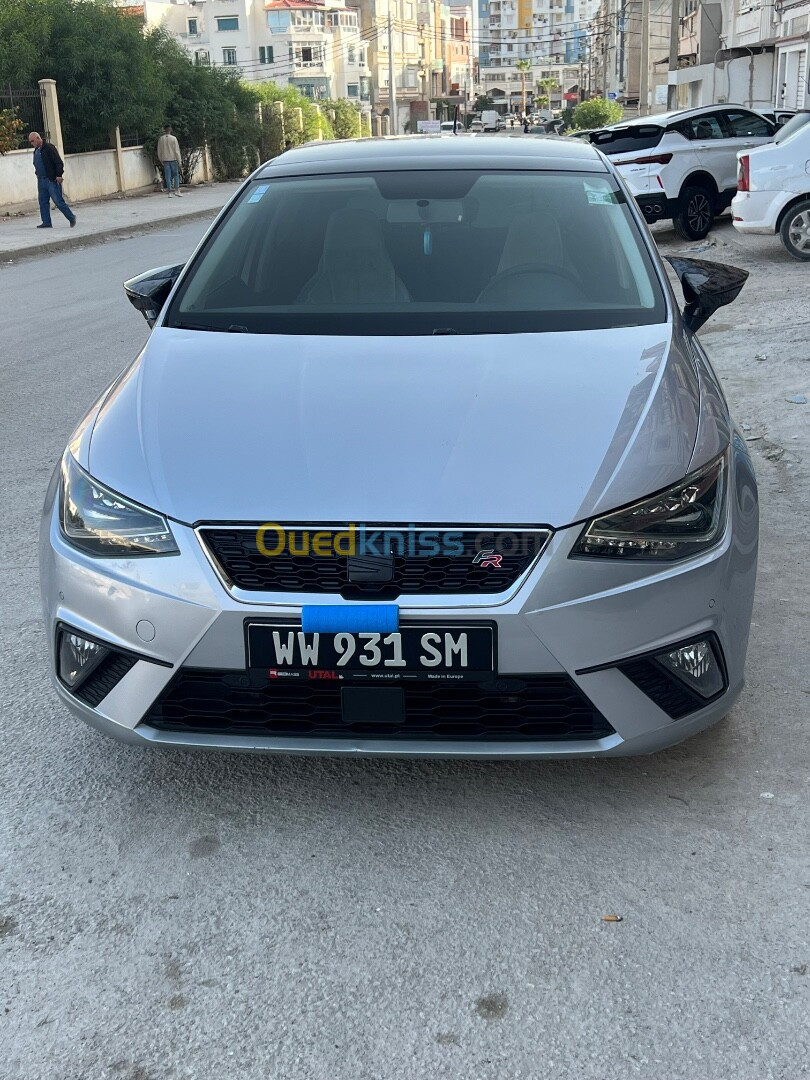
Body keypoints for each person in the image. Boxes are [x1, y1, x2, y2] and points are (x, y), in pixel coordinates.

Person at [28, 131, 76, 230]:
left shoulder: (49, 148)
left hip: (51, 179)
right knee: (43, 202)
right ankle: (46, 222)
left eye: (32, 141)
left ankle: (71, 217)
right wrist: (37, 172)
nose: (32, 143)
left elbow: (58, 162)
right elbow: (37, 163)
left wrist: (58, 175)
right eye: (30, 142)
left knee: (58, 201)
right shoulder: (36, 151)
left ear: (38, 138)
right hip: (41, 180)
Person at [157, 124, 183, 198]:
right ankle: (177, 190)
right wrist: (179, 161)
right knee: (175, 175)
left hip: (165, 160)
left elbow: (159, 151)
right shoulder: (174, 139)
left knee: (167, 176)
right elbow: (177, 151)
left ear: (164, 130)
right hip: (173, 159)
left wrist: (161, 159)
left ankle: (169, 192)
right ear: (170, 129)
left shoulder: (161, 139)